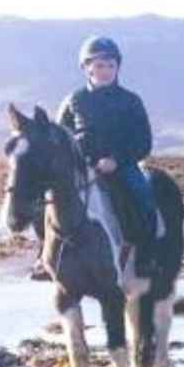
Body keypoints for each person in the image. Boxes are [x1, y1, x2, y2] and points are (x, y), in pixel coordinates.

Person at [57, 36, 158, 275]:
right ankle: (46, 255)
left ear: (117, 67)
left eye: (110, 65)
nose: (105, 71)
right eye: (100, 65)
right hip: (83, 167)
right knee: (50, 200)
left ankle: (147, 255)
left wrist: (116, 160)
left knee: (143, 195)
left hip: (121, 166)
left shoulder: (131, 101)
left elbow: (144, 142)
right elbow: (60, 139)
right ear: (87, 68)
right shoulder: (74, 100)